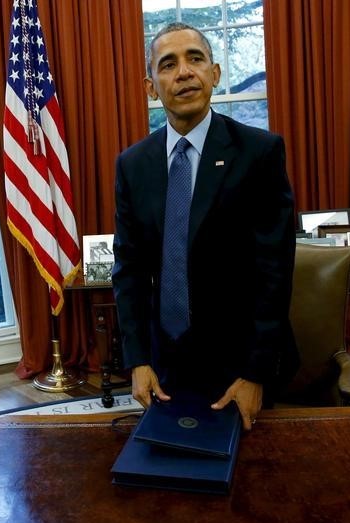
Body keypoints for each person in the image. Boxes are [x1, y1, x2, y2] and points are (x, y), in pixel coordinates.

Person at [112, 22, 299, 431]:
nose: (183, 72)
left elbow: (275, 273)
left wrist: (255, 373)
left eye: (195, 58)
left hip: (241, 363)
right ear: (151, 87)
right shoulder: (132, 165)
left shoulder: (259, 152)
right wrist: (138, 359)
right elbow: (129, 269)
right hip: (166, 365)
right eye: (168, 64)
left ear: (214, 74)